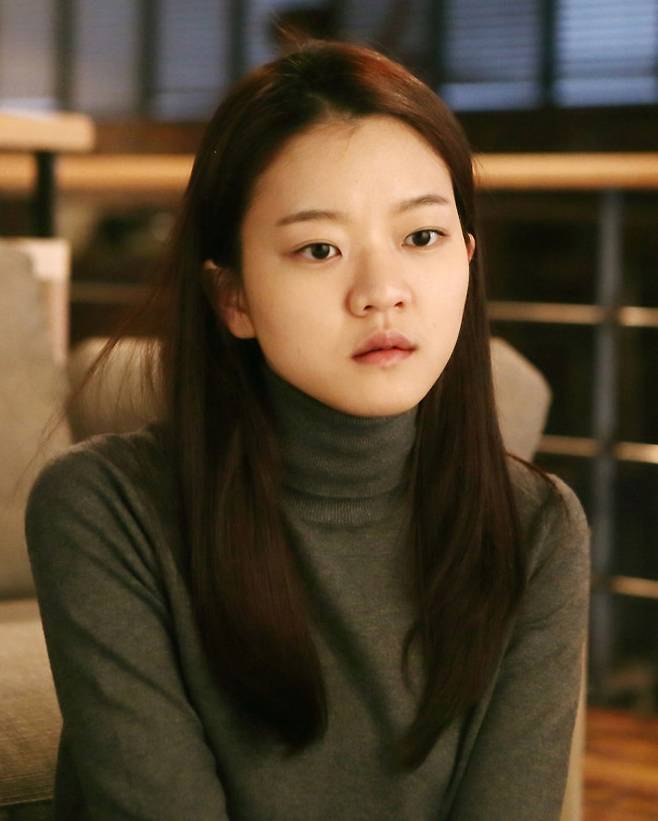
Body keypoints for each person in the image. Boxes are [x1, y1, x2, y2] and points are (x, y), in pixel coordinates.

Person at [25, 39, 590, 820]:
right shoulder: (105, 509)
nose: (382, 291)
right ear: (234, 298)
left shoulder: (538, 527)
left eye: (421, 237)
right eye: (319, 248)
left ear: (468, 258)